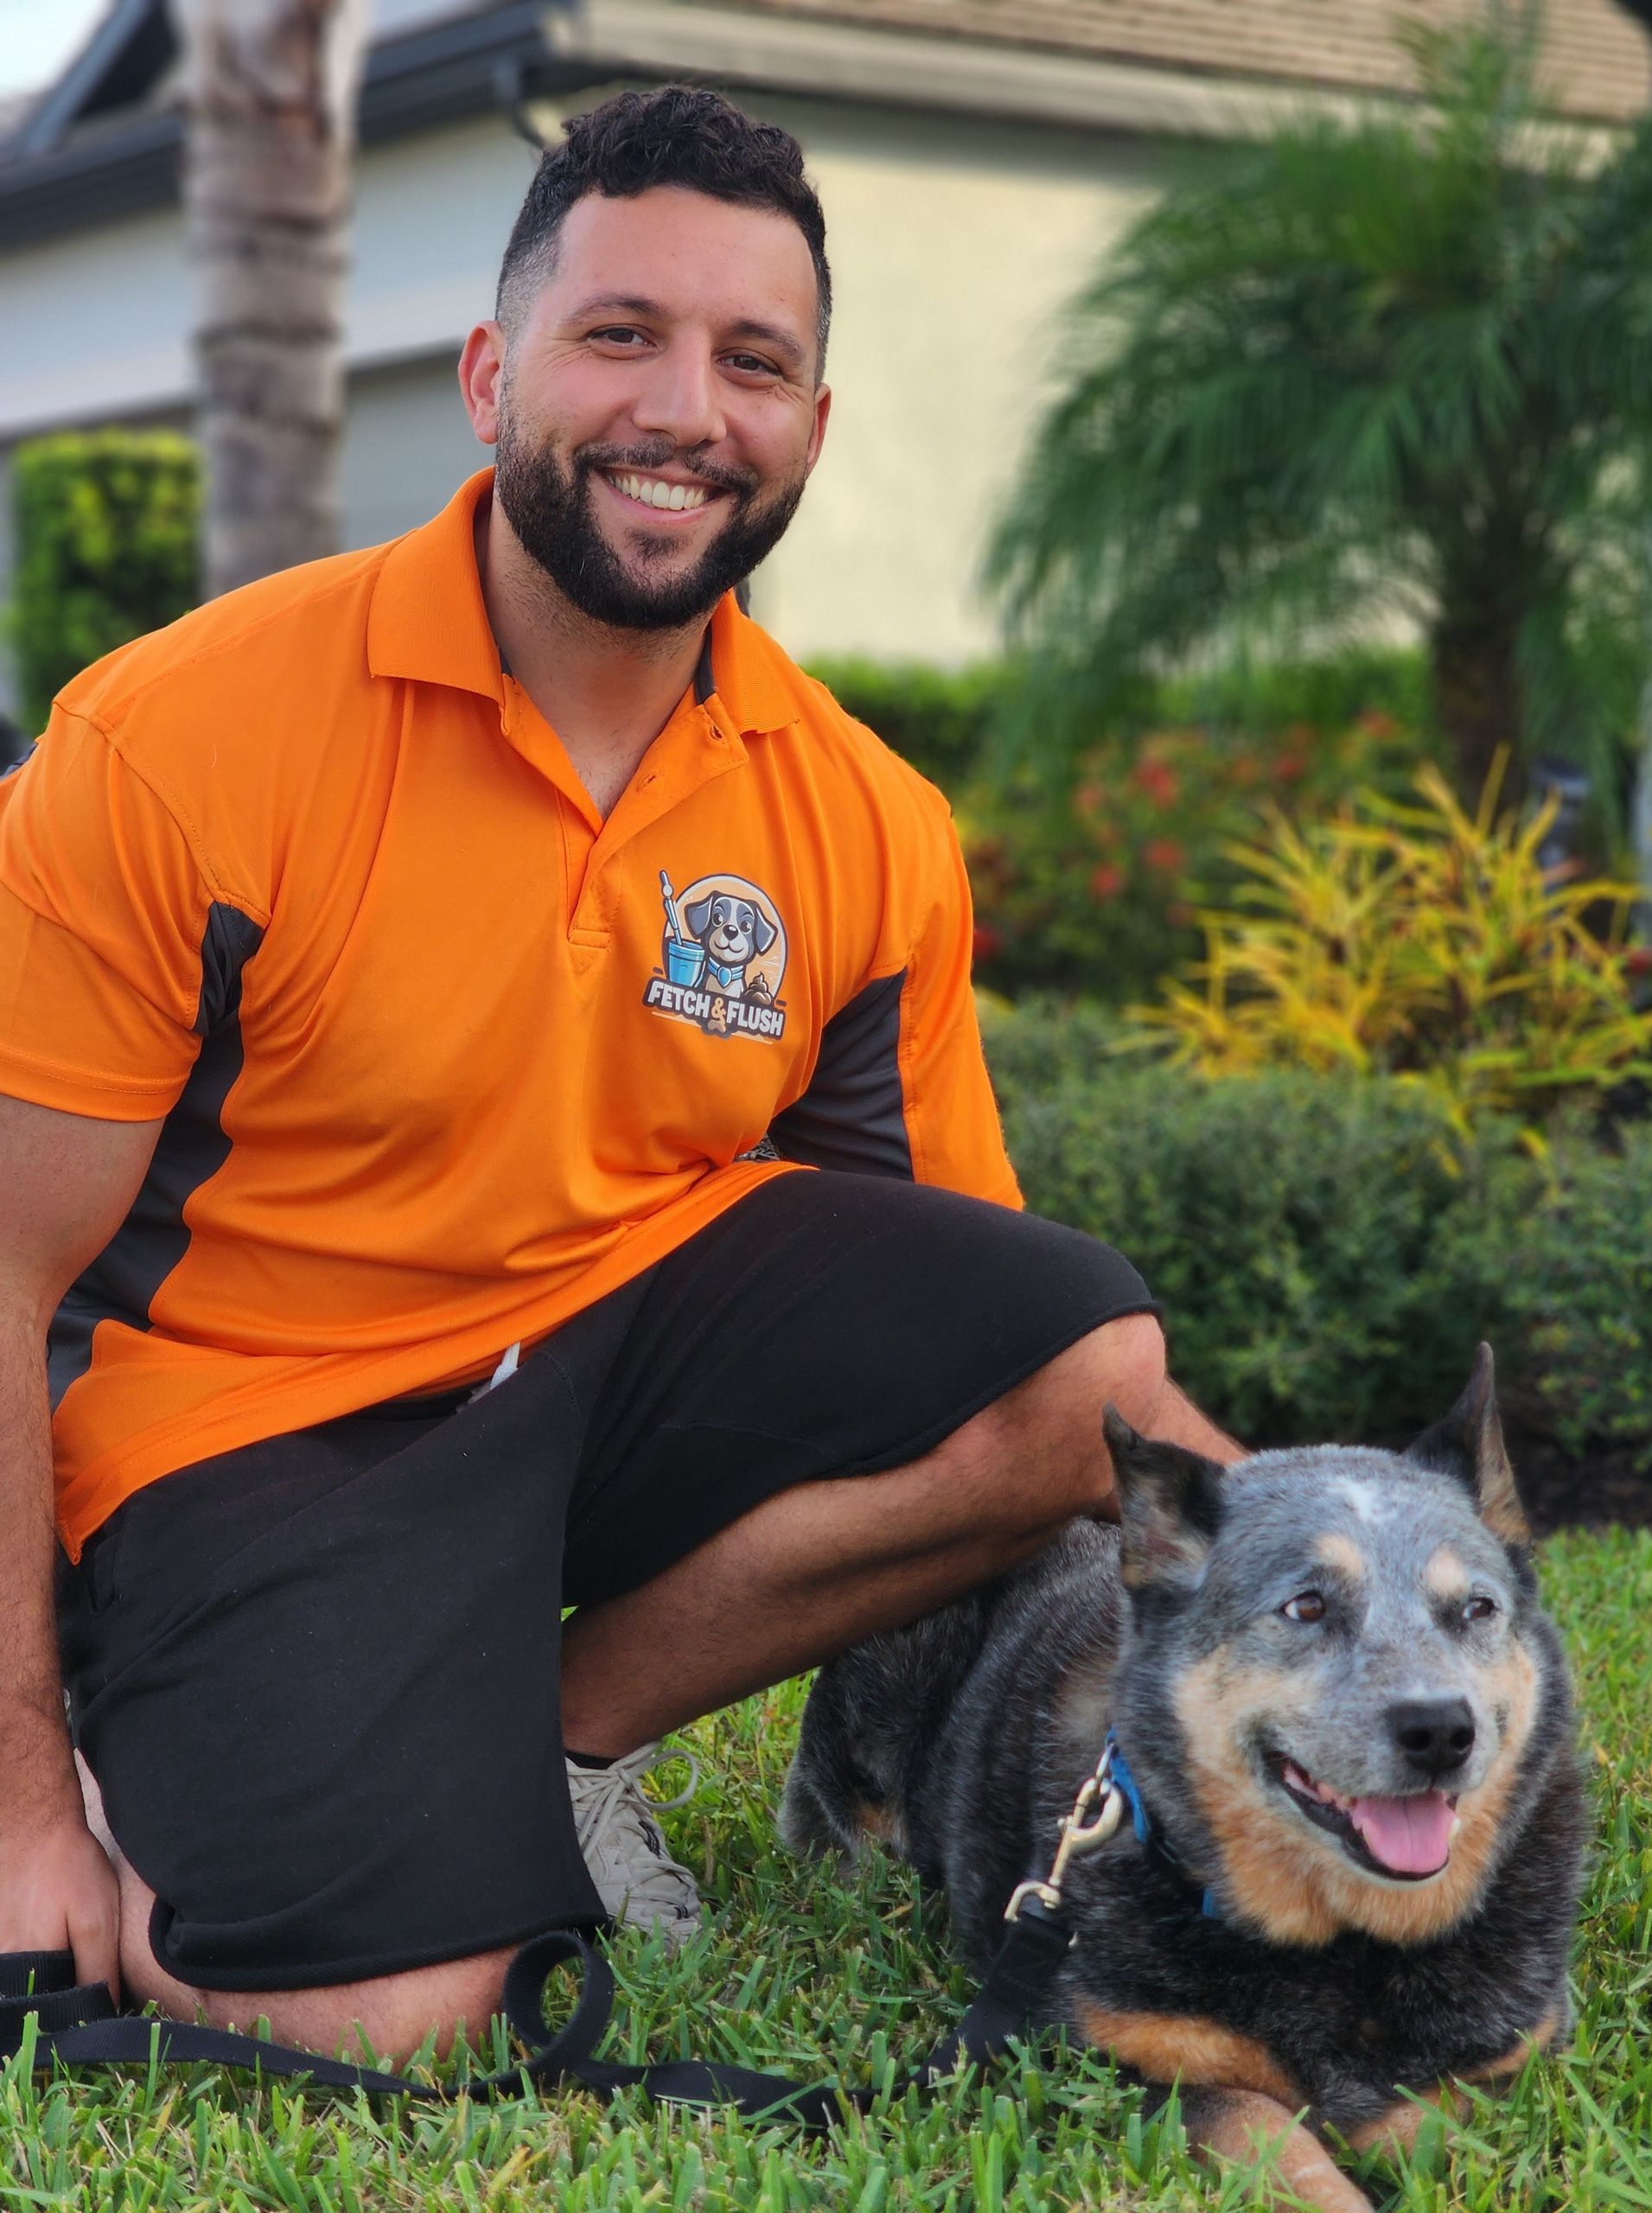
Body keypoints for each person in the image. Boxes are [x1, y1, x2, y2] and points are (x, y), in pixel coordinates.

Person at [0, 87, 1239, 2066]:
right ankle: (144, 1735)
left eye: (752, 360)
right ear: (493, 374)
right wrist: (17, 1807)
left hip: (602, 1369)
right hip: (246, 1418)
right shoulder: (179, 738)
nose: (686, 410)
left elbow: (968, 1316)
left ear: (810, 425)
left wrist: (1344, 1575)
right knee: (384, 2015)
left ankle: (559, 1741)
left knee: (1085, 1374)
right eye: (621, 334)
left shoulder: (866, 818)